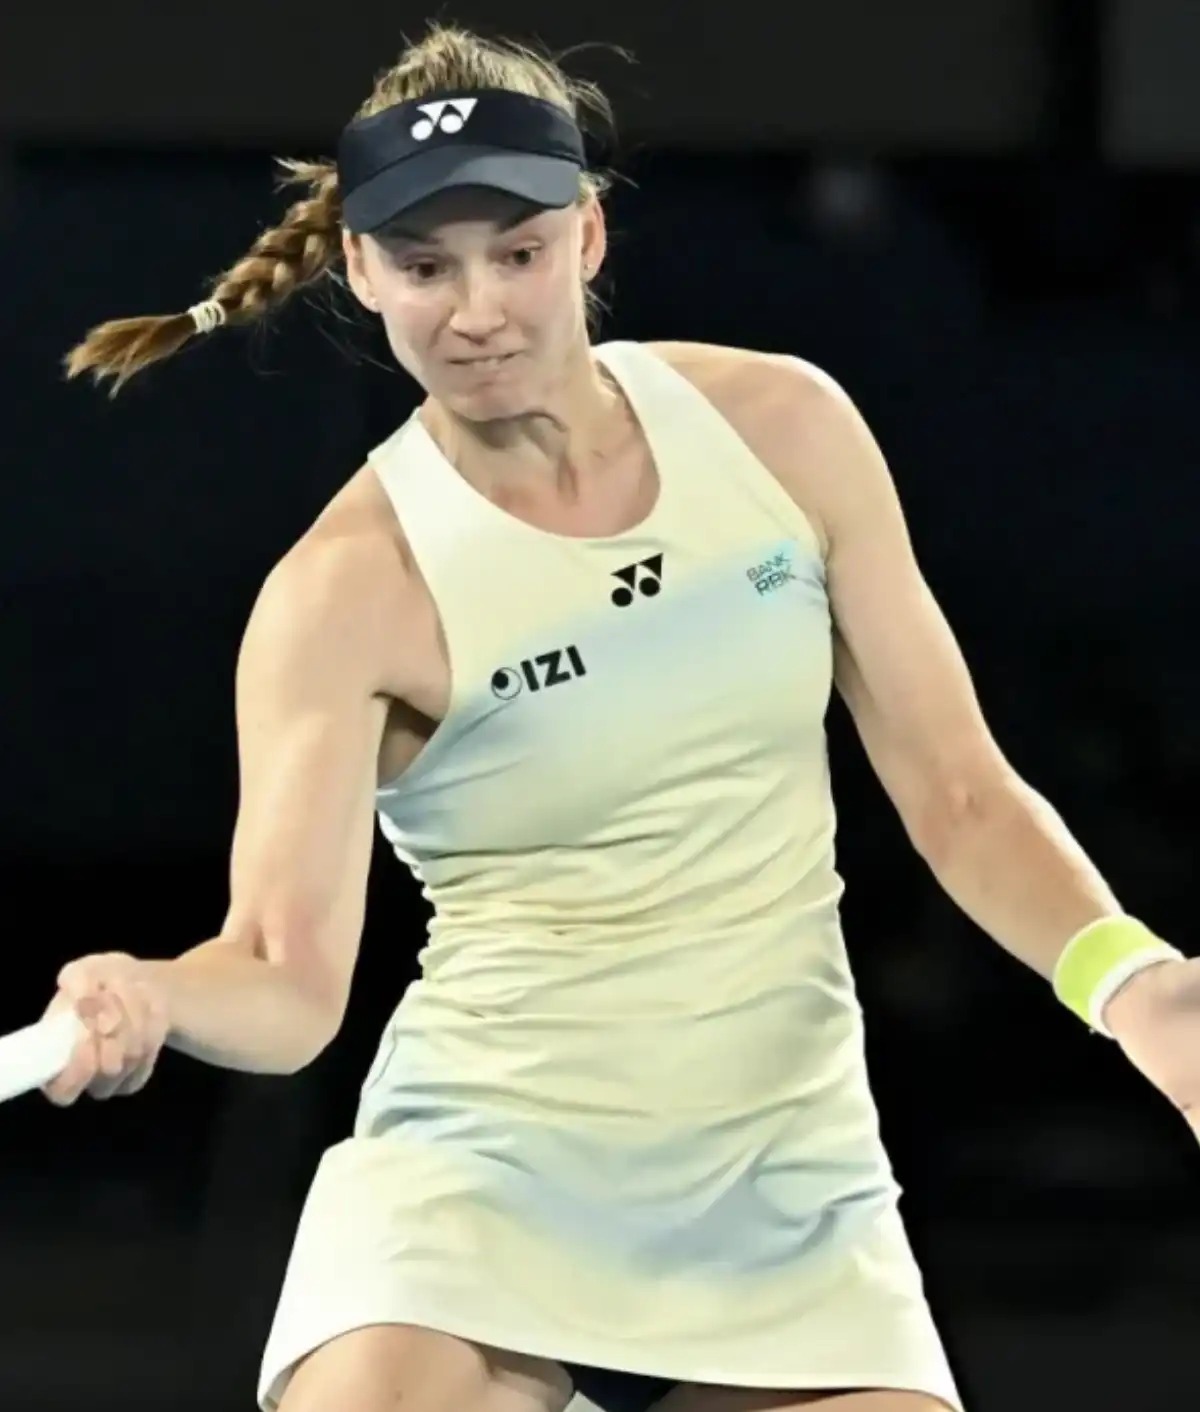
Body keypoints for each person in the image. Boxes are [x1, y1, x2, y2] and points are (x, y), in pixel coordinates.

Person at [50, 20, 1200, 1412]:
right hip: (479, 1185)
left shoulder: (784, 429)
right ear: (360, 269)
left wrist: (1139, 985)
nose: (477, 311)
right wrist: (156, 994)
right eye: (426, 266)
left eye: (518, 253)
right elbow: (284, 982)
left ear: (588, 235)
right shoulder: (342, 594)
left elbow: (960, 794)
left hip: (787, 1187)